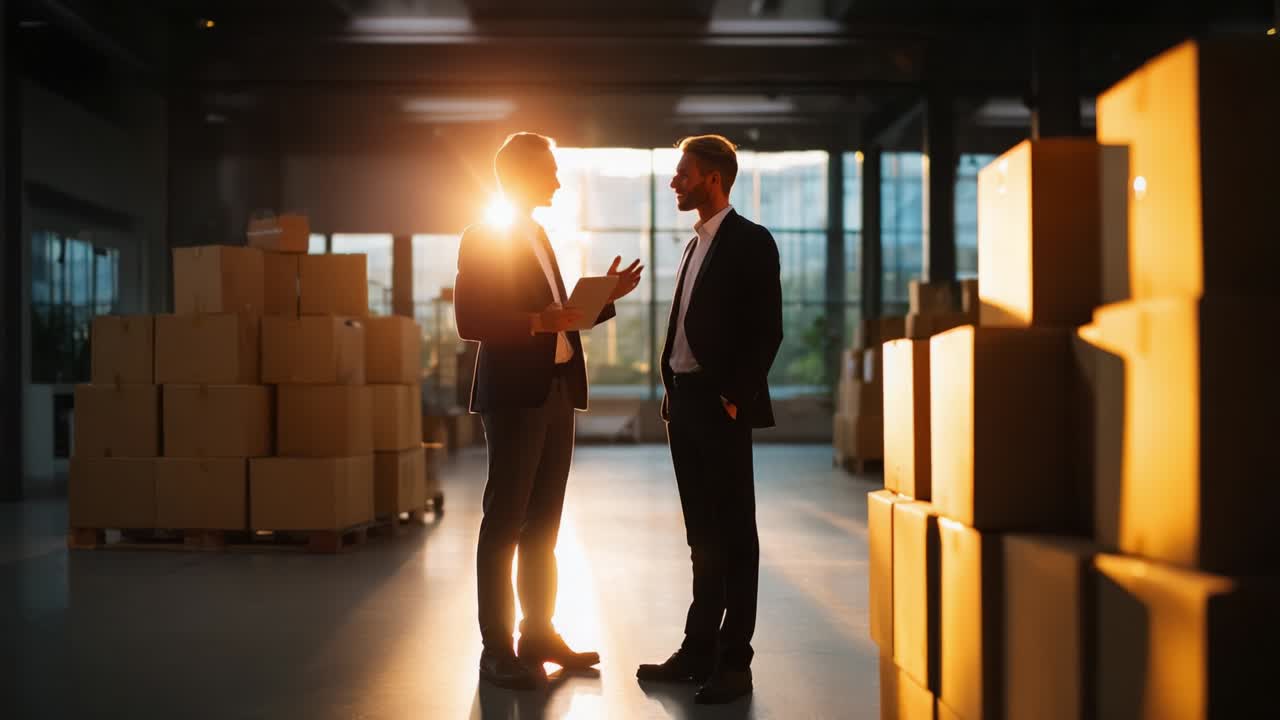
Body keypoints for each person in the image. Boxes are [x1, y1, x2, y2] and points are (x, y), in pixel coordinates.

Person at [455, 132, 644, 691]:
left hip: (557, 390)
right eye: (550, 170)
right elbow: (472, 320)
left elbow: (561, 318)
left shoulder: (538, 235)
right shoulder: (482, 236)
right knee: (505, 523)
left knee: (544, 525)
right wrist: (538, 322)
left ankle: (538, 634)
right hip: (515, 396)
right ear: (520, 174)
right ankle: (497, 649)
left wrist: (603, 299)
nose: (558, 180)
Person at [636, 134, 783, 705]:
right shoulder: (694, 244)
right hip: (686, 405)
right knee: (703, 537)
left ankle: (734, 661)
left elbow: (766, 329)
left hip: (719, 405)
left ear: (713, 179)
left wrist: (733, 396)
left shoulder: (750, 242)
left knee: (735, 535)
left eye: (684, 173)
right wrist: (673, 389)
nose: (675, 182)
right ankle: (699, 650)